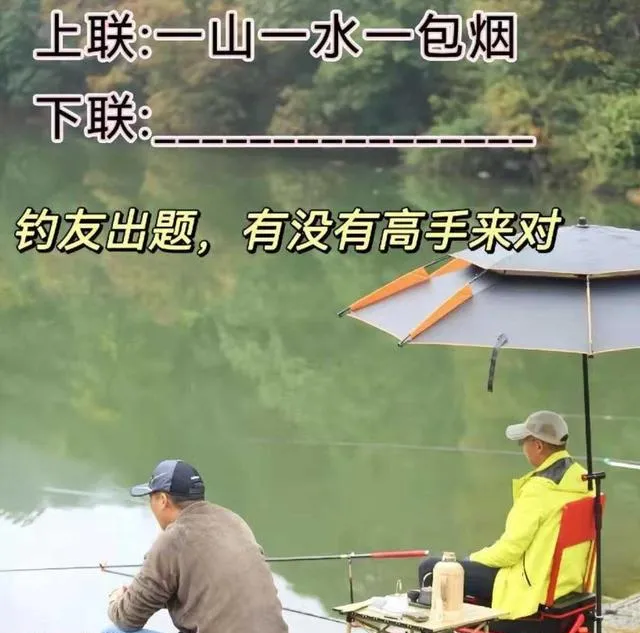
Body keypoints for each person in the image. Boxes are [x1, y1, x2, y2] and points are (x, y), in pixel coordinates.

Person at [417, 411, 593, 620]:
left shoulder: (539, 490)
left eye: (523, 442)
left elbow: (509, 552)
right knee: (457, 568)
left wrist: (470, 559)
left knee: (433, 569)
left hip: (531, 589)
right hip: (565, 585)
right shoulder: (585, 482)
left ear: (538, 446)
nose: (522, 448)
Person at [103, 459, 289, 633]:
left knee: (112, 632)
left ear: (163, 500)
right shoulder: (234, 521)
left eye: (150, 498)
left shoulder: (173, 539)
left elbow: (127, 618)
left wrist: (116, 599)